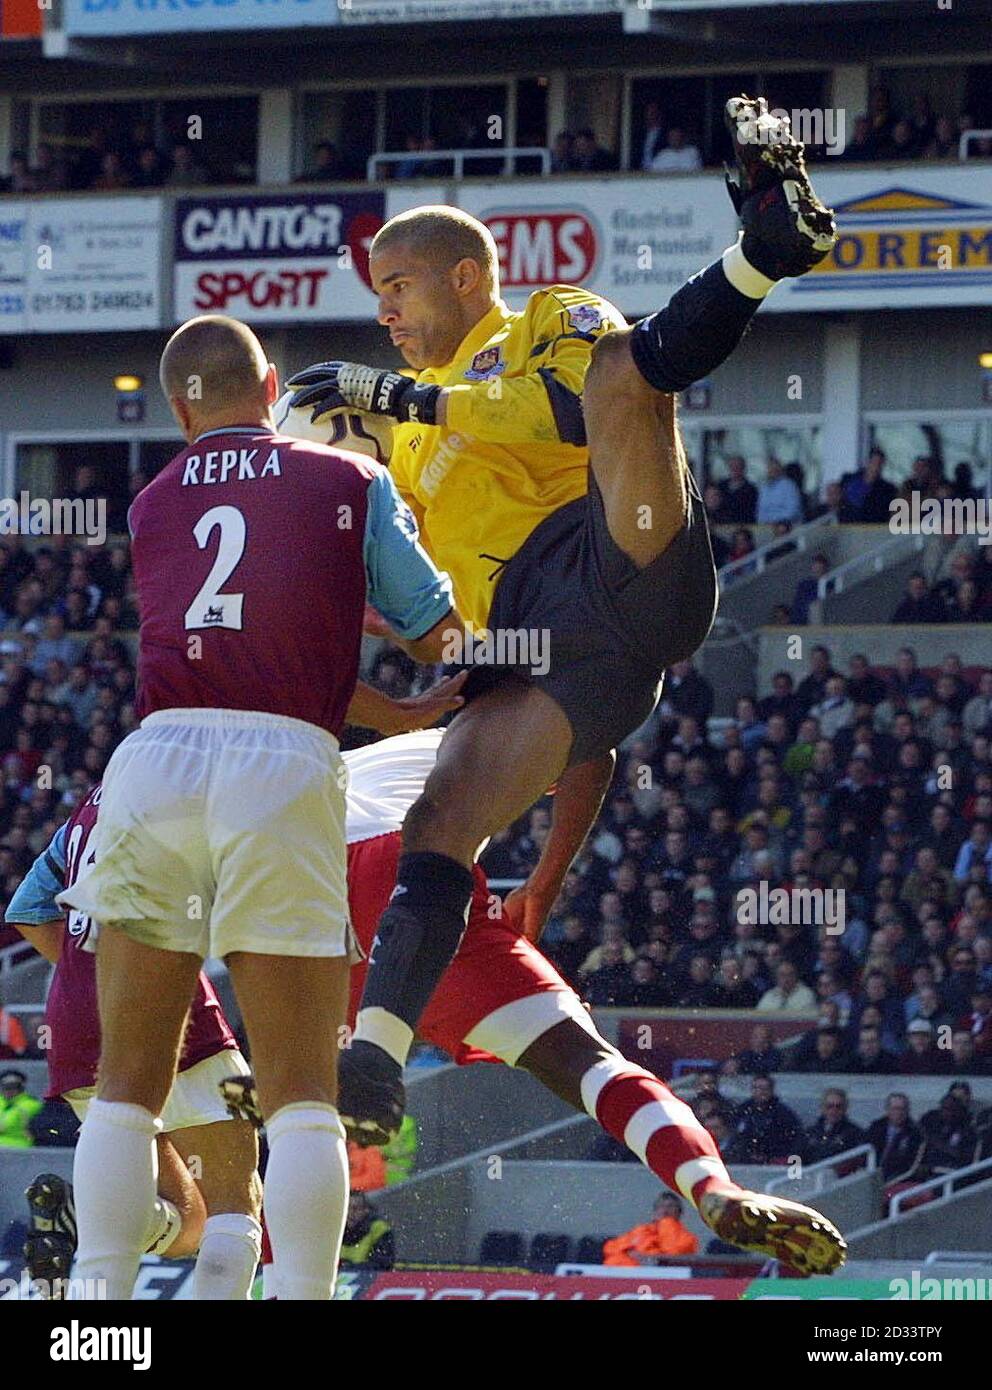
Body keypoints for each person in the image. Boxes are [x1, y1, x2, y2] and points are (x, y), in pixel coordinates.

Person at [285, 96, 837, 1183]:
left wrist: (412, 399)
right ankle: (377, 1060)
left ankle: (766, 252)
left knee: (626, 372)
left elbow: (578, 413)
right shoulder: (398, 441)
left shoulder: (543, 315)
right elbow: (394, 594)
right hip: (546, 655)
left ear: (461, 277)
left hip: (612, 556)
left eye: (396, 288)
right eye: (377, 299)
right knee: (441, 820)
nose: (385, 314)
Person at [56, 315, 458, 1302]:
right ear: (270, 381)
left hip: (156, 761)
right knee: (299, 1093)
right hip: (282, 766)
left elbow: (232, 639)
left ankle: (100, 1307)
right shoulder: (346, 481)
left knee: (127, 1087)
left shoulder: (151, 501)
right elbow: (434, 634)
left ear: (177, 405)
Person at [230, 730, 845, 1274]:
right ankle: (710, 1184)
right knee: (597, 1068)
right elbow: (592, 755)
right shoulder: (479, 733)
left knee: (302, 1115)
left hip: (294, 887)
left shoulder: (338, 757)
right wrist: (544, 886)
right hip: (413, 874)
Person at [5, 783, 263, 1298]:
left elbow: (28, 910)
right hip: (168, 1002)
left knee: (188, 1222)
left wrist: (95, 975)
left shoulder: (93, 804)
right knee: (237, 1204)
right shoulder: (209, 776)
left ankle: (82, 1229)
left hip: (76, 1020)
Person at [602, 1192, 699, 1265]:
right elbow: (610, 1249)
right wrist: (629, 1252)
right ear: (654, 1212)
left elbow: (672, 1252)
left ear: (679, 1212)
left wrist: (667, 1223)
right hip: (624, 1276)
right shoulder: (641, 1230)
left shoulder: (688, 1238)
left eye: (670, 1206)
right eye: (660, 1206)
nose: (665, 1210)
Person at [866, 1093, 924, 1182]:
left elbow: (912, 1161)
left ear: (908, 1111)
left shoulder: (915, 1132)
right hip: (873, 1173)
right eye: (895, 1108)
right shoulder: (876, 1127)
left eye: (902, 1109)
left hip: (899, 1177)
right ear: (887, 1110)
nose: (899, 1113)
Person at [803, 1089, 865, 1164]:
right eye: (829, 1106)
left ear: (845, 1108)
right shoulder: (810, 1133)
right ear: (822, 1108)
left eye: (838, 1107)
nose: (834, 1110)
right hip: (810, 1173)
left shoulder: (855, 1133)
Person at [340, 1191, 395, 1270]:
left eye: (356, 1208)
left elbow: (382, 1265)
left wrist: (350, 1268)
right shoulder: (333, 1229)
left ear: (366, 1210)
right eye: (347, 1208)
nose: (350, 1213)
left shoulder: (379, 1229)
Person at [0, 1069, 42, 1148]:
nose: (9, 1090)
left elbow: (7, 1125)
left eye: (14, 1087)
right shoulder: (1, 1101)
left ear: (21, 1088)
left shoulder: (31, 1104)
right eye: (6, 1087)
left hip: (19, 1146)